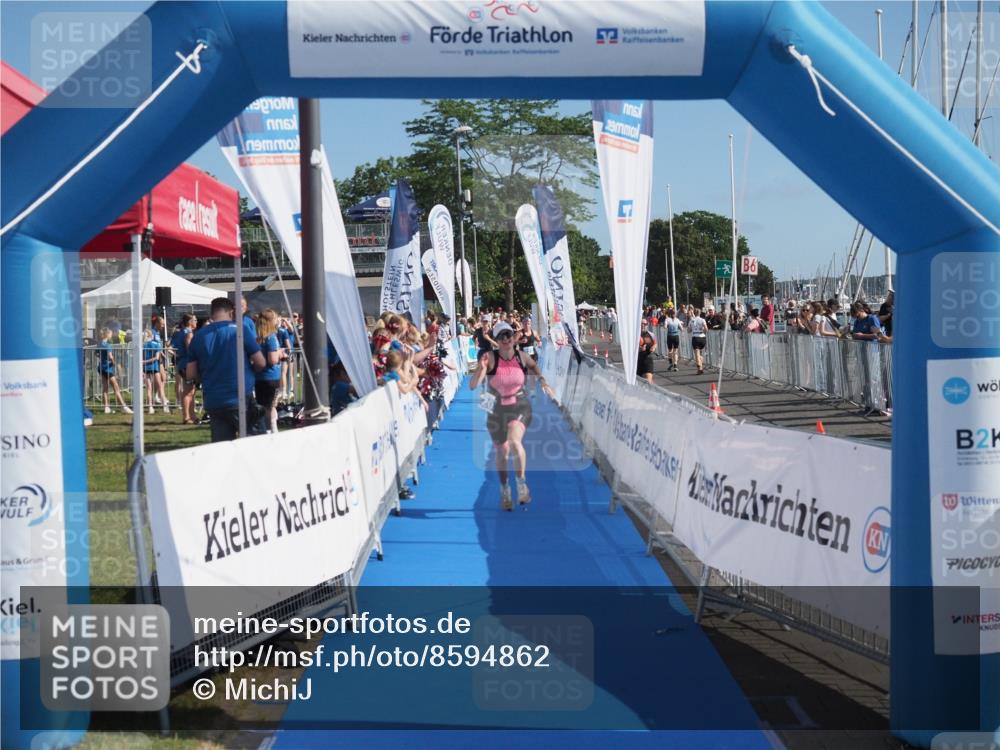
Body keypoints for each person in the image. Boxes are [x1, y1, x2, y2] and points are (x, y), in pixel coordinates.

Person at [469, 321, 555, 511]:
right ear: (496, 340)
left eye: (508, 335)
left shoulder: (521, 357)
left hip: (519, 404)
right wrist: (482, 369)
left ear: (513, 337)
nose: (506, 339)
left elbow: (534, 366)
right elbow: (473, 386)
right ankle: (505, 489)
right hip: (496, 407)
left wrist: (542, 381)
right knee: (502, 451)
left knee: (515, 442)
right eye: (501, 336)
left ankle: (522, 485)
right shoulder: (489, 358)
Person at [186, 297, 266, 442]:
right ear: (231, 312)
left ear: (212, 314)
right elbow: (261, 362)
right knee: (255, 445)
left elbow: (190, 373)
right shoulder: (240, 331)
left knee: (221, 449)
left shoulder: (198, 336)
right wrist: (250, 370)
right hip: (240, 397)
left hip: (214, 399)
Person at [254, 309, 285, 433]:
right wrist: (280, 354)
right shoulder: (271, 338)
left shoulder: (257, 338)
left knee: (264, 406)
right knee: (270, 406)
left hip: (259, 377)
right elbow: (272, 360)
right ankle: (271, 430)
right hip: (271, 377)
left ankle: (266, 429)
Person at [169, 314, 197, 424]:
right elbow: (190, 349)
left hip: (182, 364)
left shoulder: (180, 332)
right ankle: (186, 417)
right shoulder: (188, 333)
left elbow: (171, 346)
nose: (197, 322)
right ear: (190, 322)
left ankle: (192, 416)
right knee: (188, 391)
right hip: (187, 365)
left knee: (191, 391)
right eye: (195, 320)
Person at [97, 327, 132, 414]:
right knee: (116, 387)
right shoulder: (107, 345)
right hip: (107, 368)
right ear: (107, 334)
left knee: (105, 387)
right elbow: (110, 356)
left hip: (101, 367)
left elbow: (96, 354)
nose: (111, 335)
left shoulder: (100, 343)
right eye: (110, 334)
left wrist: (103, 358)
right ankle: (123, 406)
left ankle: (106, 407)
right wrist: (113, 363)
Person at [142, 329, 169, 414]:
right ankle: (164, 405)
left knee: (149, 388)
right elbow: (157, 358)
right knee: (160, 386)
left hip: (146, 368)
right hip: (154, 368)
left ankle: (150, 407)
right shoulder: (156, 344)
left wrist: (143, 362)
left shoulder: (143, 345)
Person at [689, 308, 708, 374]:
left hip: (695, 337)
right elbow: (706, 329)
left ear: (694, 313)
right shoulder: (702, 320)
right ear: (699, 313)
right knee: (700, 353)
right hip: (702, 338)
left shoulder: (692, 320)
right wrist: (702, 331)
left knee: (697, 354)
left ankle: (699, 367)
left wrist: (693, 329)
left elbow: (688, 330)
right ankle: (700, 367)